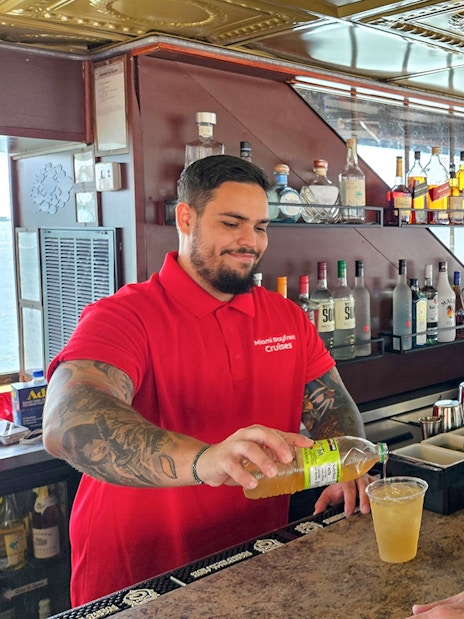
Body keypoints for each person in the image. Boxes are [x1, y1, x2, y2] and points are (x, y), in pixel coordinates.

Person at [43, 154, 372, 607]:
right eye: (232, 223)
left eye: (259, 227)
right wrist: (206, 461)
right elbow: (68, 422)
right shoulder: (125, 315)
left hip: (256, 561)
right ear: (185, 217)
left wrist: (344, 465)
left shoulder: (286, 318)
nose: (249, 242)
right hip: (140, 580)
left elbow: (332, 403)